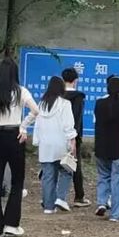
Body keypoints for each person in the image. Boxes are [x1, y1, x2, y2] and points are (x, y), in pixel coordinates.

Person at [0, 57, 38, 237]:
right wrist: (23, 126)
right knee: (17, 181)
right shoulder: (21, 91)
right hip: (14, 136)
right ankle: (11, 224)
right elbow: (35, 111)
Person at [33, 75, 77, 213]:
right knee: (66, 171)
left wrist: (36, 141)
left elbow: (37, 125)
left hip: (45, 145)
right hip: (60, 143)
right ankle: (60, 198)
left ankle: (48, 206)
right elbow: (68, 125)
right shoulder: (65, 104)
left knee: (48, 175)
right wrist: (72, 140)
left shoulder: (41, 105)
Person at [93, 75, 119, 221]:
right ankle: (116, 214)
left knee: (103, 176)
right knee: (117, 180)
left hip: (101, 147)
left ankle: (102, 202)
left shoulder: (99, 104)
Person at [61, 66, 89, 205]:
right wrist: (75, 136)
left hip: (57, 134)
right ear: (75, 80)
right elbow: (77, 118)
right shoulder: (78, 97)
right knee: (75, 165)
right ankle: (79, 196)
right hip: (73, 135)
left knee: (55, 165)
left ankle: (54, 195)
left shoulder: (57, 95)